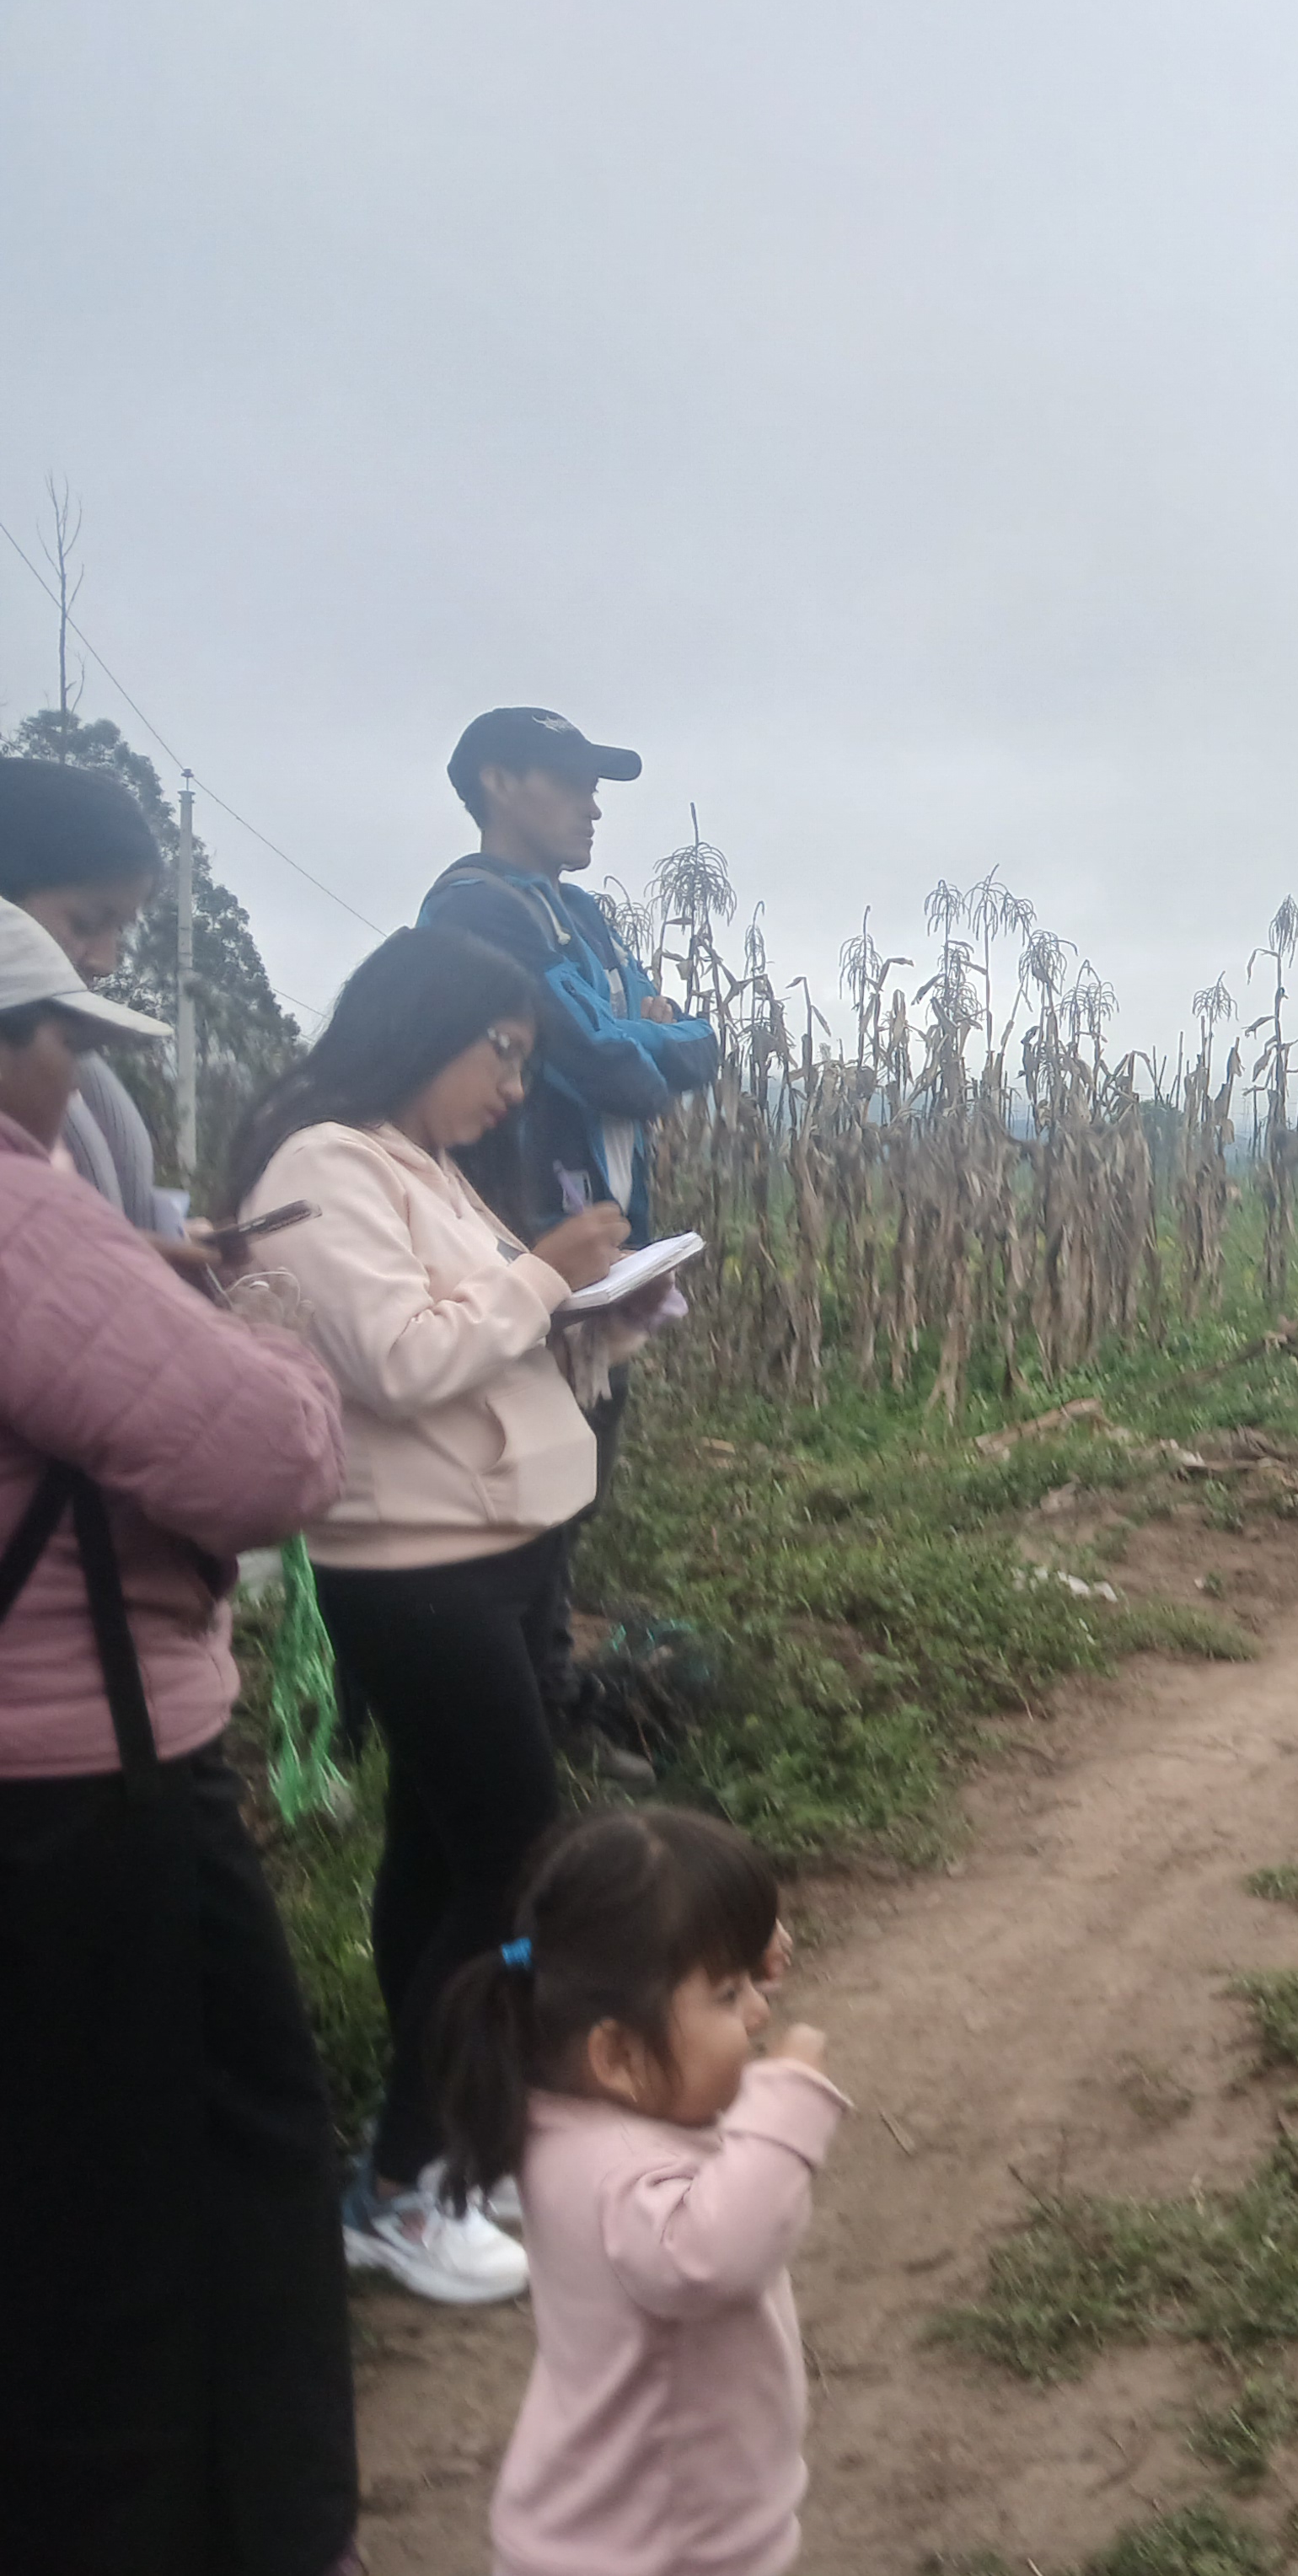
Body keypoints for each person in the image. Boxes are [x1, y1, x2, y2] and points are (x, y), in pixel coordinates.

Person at [0, 903, 362, 2573]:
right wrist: (262, 1322)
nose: (80, 1081)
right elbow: (265, 1461)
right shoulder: (23, 1216)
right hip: (81, 1790)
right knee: (177, 2193)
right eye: (66, 1040)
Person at [226, 926, 633, 2305]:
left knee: (440, 1858)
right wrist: (545, 1274)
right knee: (515, 1865)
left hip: (498, 1543)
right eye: (501, 1054)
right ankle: (402, 2187)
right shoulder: (322, 1167)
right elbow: (402, 1359)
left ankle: (461, 2129)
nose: (514, 1089)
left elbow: (479, 1333)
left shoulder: (422, 1165)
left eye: (524, 1062)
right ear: (418, 1026)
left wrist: (593, 1313)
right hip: (414, 1566)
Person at [419, 707, 715, 1783]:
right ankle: (523, 1719)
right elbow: (604, 1053)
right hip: (520, 1232)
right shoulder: (475, 911)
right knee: (530, 1476)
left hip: (601, 1243)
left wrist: (651, 1034)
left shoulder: (576, 915)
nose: (594, 806)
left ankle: (542, 1694)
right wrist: (654, 1035)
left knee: (577, 1467)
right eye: (572, 781)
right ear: (499, 782)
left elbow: (665, 1034)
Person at [432, 1806, 845, 2576]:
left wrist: (727, 1949)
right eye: (728, 1995)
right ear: (618, 2055)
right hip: (652, 2553)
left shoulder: (567, 2115)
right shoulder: (619, 2173)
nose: (761, 2012)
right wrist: (788, 2094)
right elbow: (714, 2255)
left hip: (622, 2538)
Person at [0, 756, 223, 1280]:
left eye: (119, 929)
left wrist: (164, 1239)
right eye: (85, 923)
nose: (105, 961)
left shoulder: (81, 1074)